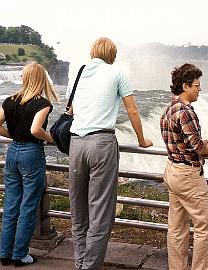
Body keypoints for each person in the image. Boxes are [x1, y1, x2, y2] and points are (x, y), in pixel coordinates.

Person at [68, 37, 153, 270]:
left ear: (93, 52)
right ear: (112, 54)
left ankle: (79, 263)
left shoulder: (79, 72)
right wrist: (142, 140)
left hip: (76, 144)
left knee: (78, 210)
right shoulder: (117, 73)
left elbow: (71, 108)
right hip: (102, 143)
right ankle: (89, 267)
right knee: (100, 212)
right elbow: (132, 110)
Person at [160, 63, 208, 270]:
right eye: (196, 85)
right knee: (206, 227)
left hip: (172, 171)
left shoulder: (169, 108)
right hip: (187, 176)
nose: (199, 89)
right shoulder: (185, 111)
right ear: (185, 86)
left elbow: (181, 141)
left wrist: (201, 143)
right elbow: (198, 147)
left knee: (177, 228)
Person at [0, 62, 57, 266]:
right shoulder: (42, 103)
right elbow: (35, 130)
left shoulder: (10, 101)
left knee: (11, 206)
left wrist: (13, 134)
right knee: (28, 206)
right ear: (42, 79)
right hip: (31, 153)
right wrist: (51, 139)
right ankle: (20, 255)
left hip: (13, 152)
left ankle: (4, 253)